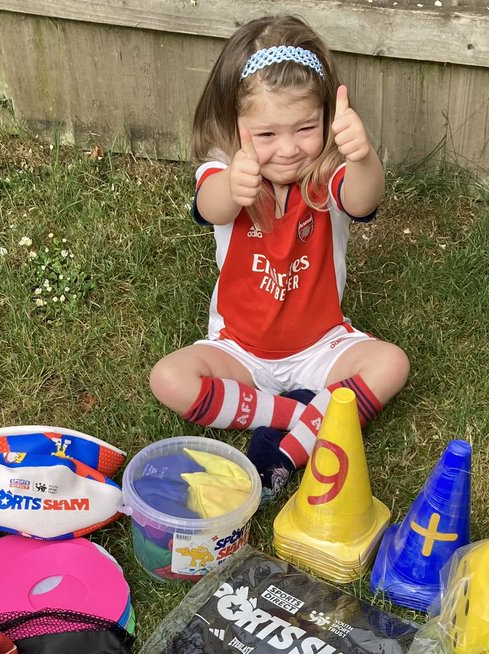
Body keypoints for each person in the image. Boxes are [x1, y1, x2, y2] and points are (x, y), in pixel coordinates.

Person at [149, 14, 409, 500]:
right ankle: (304, 416)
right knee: (168, 378)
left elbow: (362, 200)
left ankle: (282, 450)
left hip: (321, 346)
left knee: (392, 363)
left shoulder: (327, 171)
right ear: (234, 126)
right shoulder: (224, 170)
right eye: (266, 135)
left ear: (327, 120)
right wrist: (233, 185)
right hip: (238, 350)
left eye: (306, 128)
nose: (289, 149)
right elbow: (210, 207)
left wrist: (363, 158)